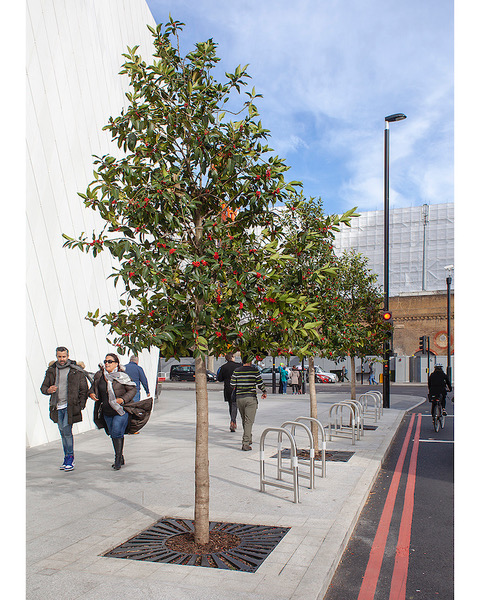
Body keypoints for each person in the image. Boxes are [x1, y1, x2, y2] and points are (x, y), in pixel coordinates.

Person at [40, 346, 89, 471]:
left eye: (63, 356)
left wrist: (80, 405)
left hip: (70, 406)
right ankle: (66, 457)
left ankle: (69, 458)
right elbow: (43, 387)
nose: (61, 359)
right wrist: (48, 390)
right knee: (62, 432)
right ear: (56, 356)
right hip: (57, 406)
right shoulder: (51, 370)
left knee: (67, 431)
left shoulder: (75, 370)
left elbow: (84, 389)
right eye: (59, 357)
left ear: (68, 356)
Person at [88, 353, 137, 470]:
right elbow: (93, 387)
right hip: (107, 410)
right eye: (105, 361)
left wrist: (123, 399)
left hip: (121, 410)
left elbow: (132, 389)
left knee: (116, 431)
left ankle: (117, 459)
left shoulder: (122, 376)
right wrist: (91, 394)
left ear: (116, 363)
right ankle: (121, 455)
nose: (107, 364)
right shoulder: (100, 376)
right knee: (113, 433)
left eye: (110, 361)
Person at [230, 356, 267, 451]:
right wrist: (264, 391)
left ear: (242, 361)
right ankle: (245, 443)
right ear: (250, 361)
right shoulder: (254, 371)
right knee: (249, 421)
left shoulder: (237, 371)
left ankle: (249, 437)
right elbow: (260, 383)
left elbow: (232, 384)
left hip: (239, 398)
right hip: (250, 398)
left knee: (244, 419)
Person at [216, 352, 241, 432]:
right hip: (237, 387)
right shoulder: (238, 366)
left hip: (228, 388)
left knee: (231, 405)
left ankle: (233, 420)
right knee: (235, 405)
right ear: (232, 357)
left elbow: (219, 378)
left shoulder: (223, 367)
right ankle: (233, 421)